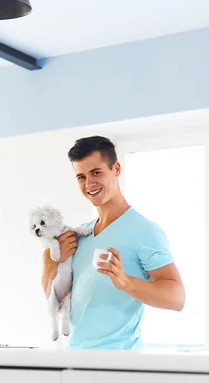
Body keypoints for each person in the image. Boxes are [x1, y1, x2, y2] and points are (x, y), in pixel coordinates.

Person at [41, 136, 185, 350]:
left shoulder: (144, 231)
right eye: (81, 177)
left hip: (119, 363)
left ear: (116, 168)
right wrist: (49, 263)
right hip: (75, 360)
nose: (89, 184)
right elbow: (54, 298)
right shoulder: (79, 235)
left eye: (96, 172)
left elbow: (176, 298)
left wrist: (125, 282)